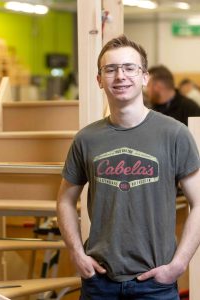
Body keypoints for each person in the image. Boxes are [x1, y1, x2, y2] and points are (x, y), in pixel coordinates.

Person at [57, 35, 200, 300]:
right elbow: (65, 200)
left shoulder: (175, 134)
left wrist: (179, 265)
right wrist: (76, 253)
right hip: (99, 283)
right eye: (110, 69)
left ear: (144, 76)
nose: (120, 76)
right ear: (99, 80)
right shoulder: (86, 139)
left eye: (129, 68)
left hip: (156, 284)